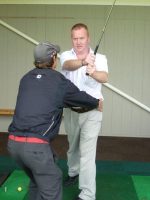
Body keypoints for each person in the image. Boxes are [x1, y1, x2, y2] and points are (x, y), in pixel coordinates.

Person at [7, 41, 102, 200]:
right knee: (52, 182)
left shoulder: (26, 79)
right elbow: (80, 98)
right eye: (56, 57)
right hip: (35, 146)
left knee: (39, 179)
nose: (57, 59)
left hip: (13, 145)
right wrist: (96, 102)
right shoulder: (58, 81)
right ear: (52, 59)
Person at [60, 23, 108, 200]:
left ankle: (88, 194)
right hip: (71, 111)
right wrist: (83, 62)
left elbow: (105, 78)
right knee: (73, 148)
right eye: (75, 38)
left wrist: (93, 72)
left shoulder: (100, 58)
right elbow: (66, 65)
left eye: (82, 38)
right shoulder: (66, 55)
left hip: (93, 111)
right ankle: (73, 173)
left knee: (88, 154)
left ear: (88, 38)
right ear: (71, 39)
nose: (78, 42)